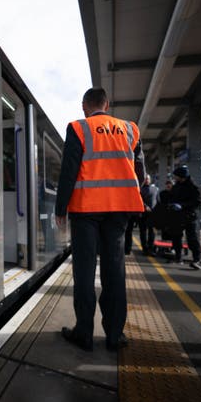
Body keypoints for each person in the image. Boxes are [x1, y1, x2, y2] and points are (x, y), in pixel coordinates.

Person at [55, 87, 145, 352]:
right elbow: (139, 168)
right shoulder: (130, 129)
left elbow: (68, 170)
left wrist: (61, 208)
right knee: (114, 270)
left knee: (84, 270)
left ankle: (84, 332)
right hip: (119, 209)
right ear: (107, 104)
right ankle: (115, 335)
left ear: (85, 106)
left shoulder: (78, 128)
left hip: (87, 209)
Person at [168, 166, 201, 270]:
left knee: (192, 238)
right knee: (176, 237)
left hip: (189, 216)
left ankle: (197, 259)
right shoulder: (176, 186)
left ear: (181, 176)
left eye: (176, 176)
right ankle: (178, 258)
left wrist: (182, 205)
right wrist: (171, 204)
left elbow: (198, 202)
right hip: (177, 216)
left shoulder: (193, 187)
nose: (174, 178)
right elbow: (171, 197)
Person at [138, 175, 159, 254]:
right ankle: (144, 248)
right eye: (145, 179)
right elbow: (138, 200)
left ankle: (151, 247)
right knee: (143, 232)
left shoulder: (155, 189)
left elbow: (157, 200)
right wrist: (145, 206)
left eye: (148, 179)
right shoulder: (139, 189)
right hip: (142, 214)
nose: (147, 180)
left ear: (150, 180)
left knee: (152, 232)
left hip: (152, 214)